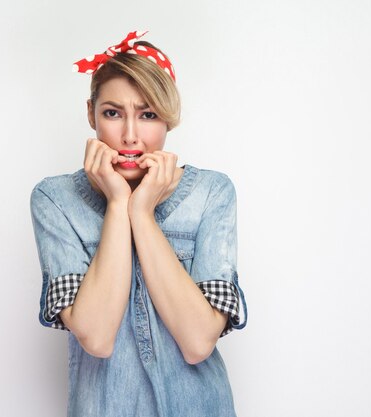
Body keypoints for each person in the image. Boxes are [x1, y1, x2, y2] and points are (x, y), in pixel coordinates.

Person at [30, 30, 248, 417]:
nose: (130, 136)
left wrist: (142, 213)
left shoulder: (212, 194)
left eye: (148, 115)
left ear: (168, 118)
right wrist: (118, 203)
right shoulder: (55, 200)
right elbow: (96, 337)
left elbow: (198, 342)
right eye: (112, 113)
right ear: (91, 113)